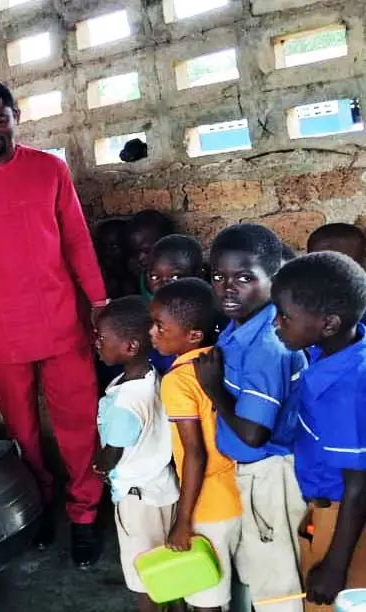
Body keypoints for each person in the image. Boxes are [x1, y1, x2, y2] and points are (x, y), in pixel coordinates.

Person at [0, 81, 108, 566]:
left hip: (63, 321)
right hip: (2, 329)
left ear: (16, 116)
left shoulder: (50, 170)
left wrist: (99, 301)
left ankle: (84, 513)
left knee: (79, 423)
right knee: (22, 430)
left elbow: (77, 240)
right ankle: (37, 505)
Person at [192, 224, 307, 612]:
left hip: (269, 475)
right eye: (218, 276)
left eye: (244, 278)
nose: (227, 288)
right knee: (259, 568)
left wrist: (214, 390)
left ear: (273, 280)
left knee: (276, 581)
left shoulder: (267, 345)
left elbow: (255, 433)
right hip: (254, 474)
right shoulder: (241, 326)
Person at [273, 252, 366, 611]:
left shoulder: (346, 390)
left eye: (285, 316)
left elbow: (359, 485)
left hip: (344, 521)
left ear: (328, 324)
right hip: (328, 509)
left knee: (328, 602)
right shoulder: (338, 351)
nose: (277, 323)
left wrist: (335, 567)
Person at [150, 279, 242, 612]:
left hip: (208, 504)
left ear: (193, 335)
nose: (152, 333)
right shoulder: (221, 360)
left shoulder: (177, 381)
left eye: (161, 327)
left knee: (207, 597)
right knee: (241, 589)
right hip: (240, 491)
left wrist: (183, 520)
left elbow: (195, 453)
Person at [93, 297, 178, 612]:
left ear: (130, 347)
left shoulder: (124, 404)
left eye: (102, 338)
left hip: (136, 499)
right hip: (163, 487)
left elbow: (113, 451)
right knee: (171, 567)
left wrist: (100, 466)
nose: (96, 343)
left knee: (146, 576)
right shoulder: (153, 378)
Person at [145, 234, 205, 374]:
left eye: (176, 277)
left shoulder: (209, 316)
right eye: (155, 277)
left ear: (199, 275)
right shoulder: (149, 317)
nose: (164, 285)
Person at [126, 211, 176, 301]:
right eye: (135, 252)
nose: (140, 258)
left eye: (147, 251)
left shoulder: (181, 278)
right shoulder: (143, 277)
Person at [96, 219, 139, 299]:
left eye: (114, 246)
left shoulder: (134, 283)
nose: (107, 252)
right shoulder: (99, 276)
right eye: (102, 246)